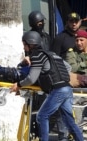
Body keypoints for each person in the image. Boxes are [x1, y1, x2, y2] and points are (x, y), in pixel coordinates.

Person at [9, 31, 83, 141]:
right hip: (67, 88)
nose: (24, 47)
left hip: (58, 90)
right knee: (69, 121)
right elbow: (68, 68)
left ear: (30, 43)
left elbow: (31, 78)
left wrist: (19, 84)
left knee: (42, 116)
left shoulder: (37, 56)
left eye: (24, 44)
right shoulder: (52, 54)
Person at [28, 11, 69, 141]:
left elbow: (51, 53)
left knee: (56, 110)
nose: (42, 24)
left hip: (50, 76)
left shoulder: (46, 36)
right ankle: (40, 135)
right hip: (38, 75)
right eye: (39, 23)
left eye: (42, 22)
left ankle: (62, 137)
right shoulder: (28, 37)